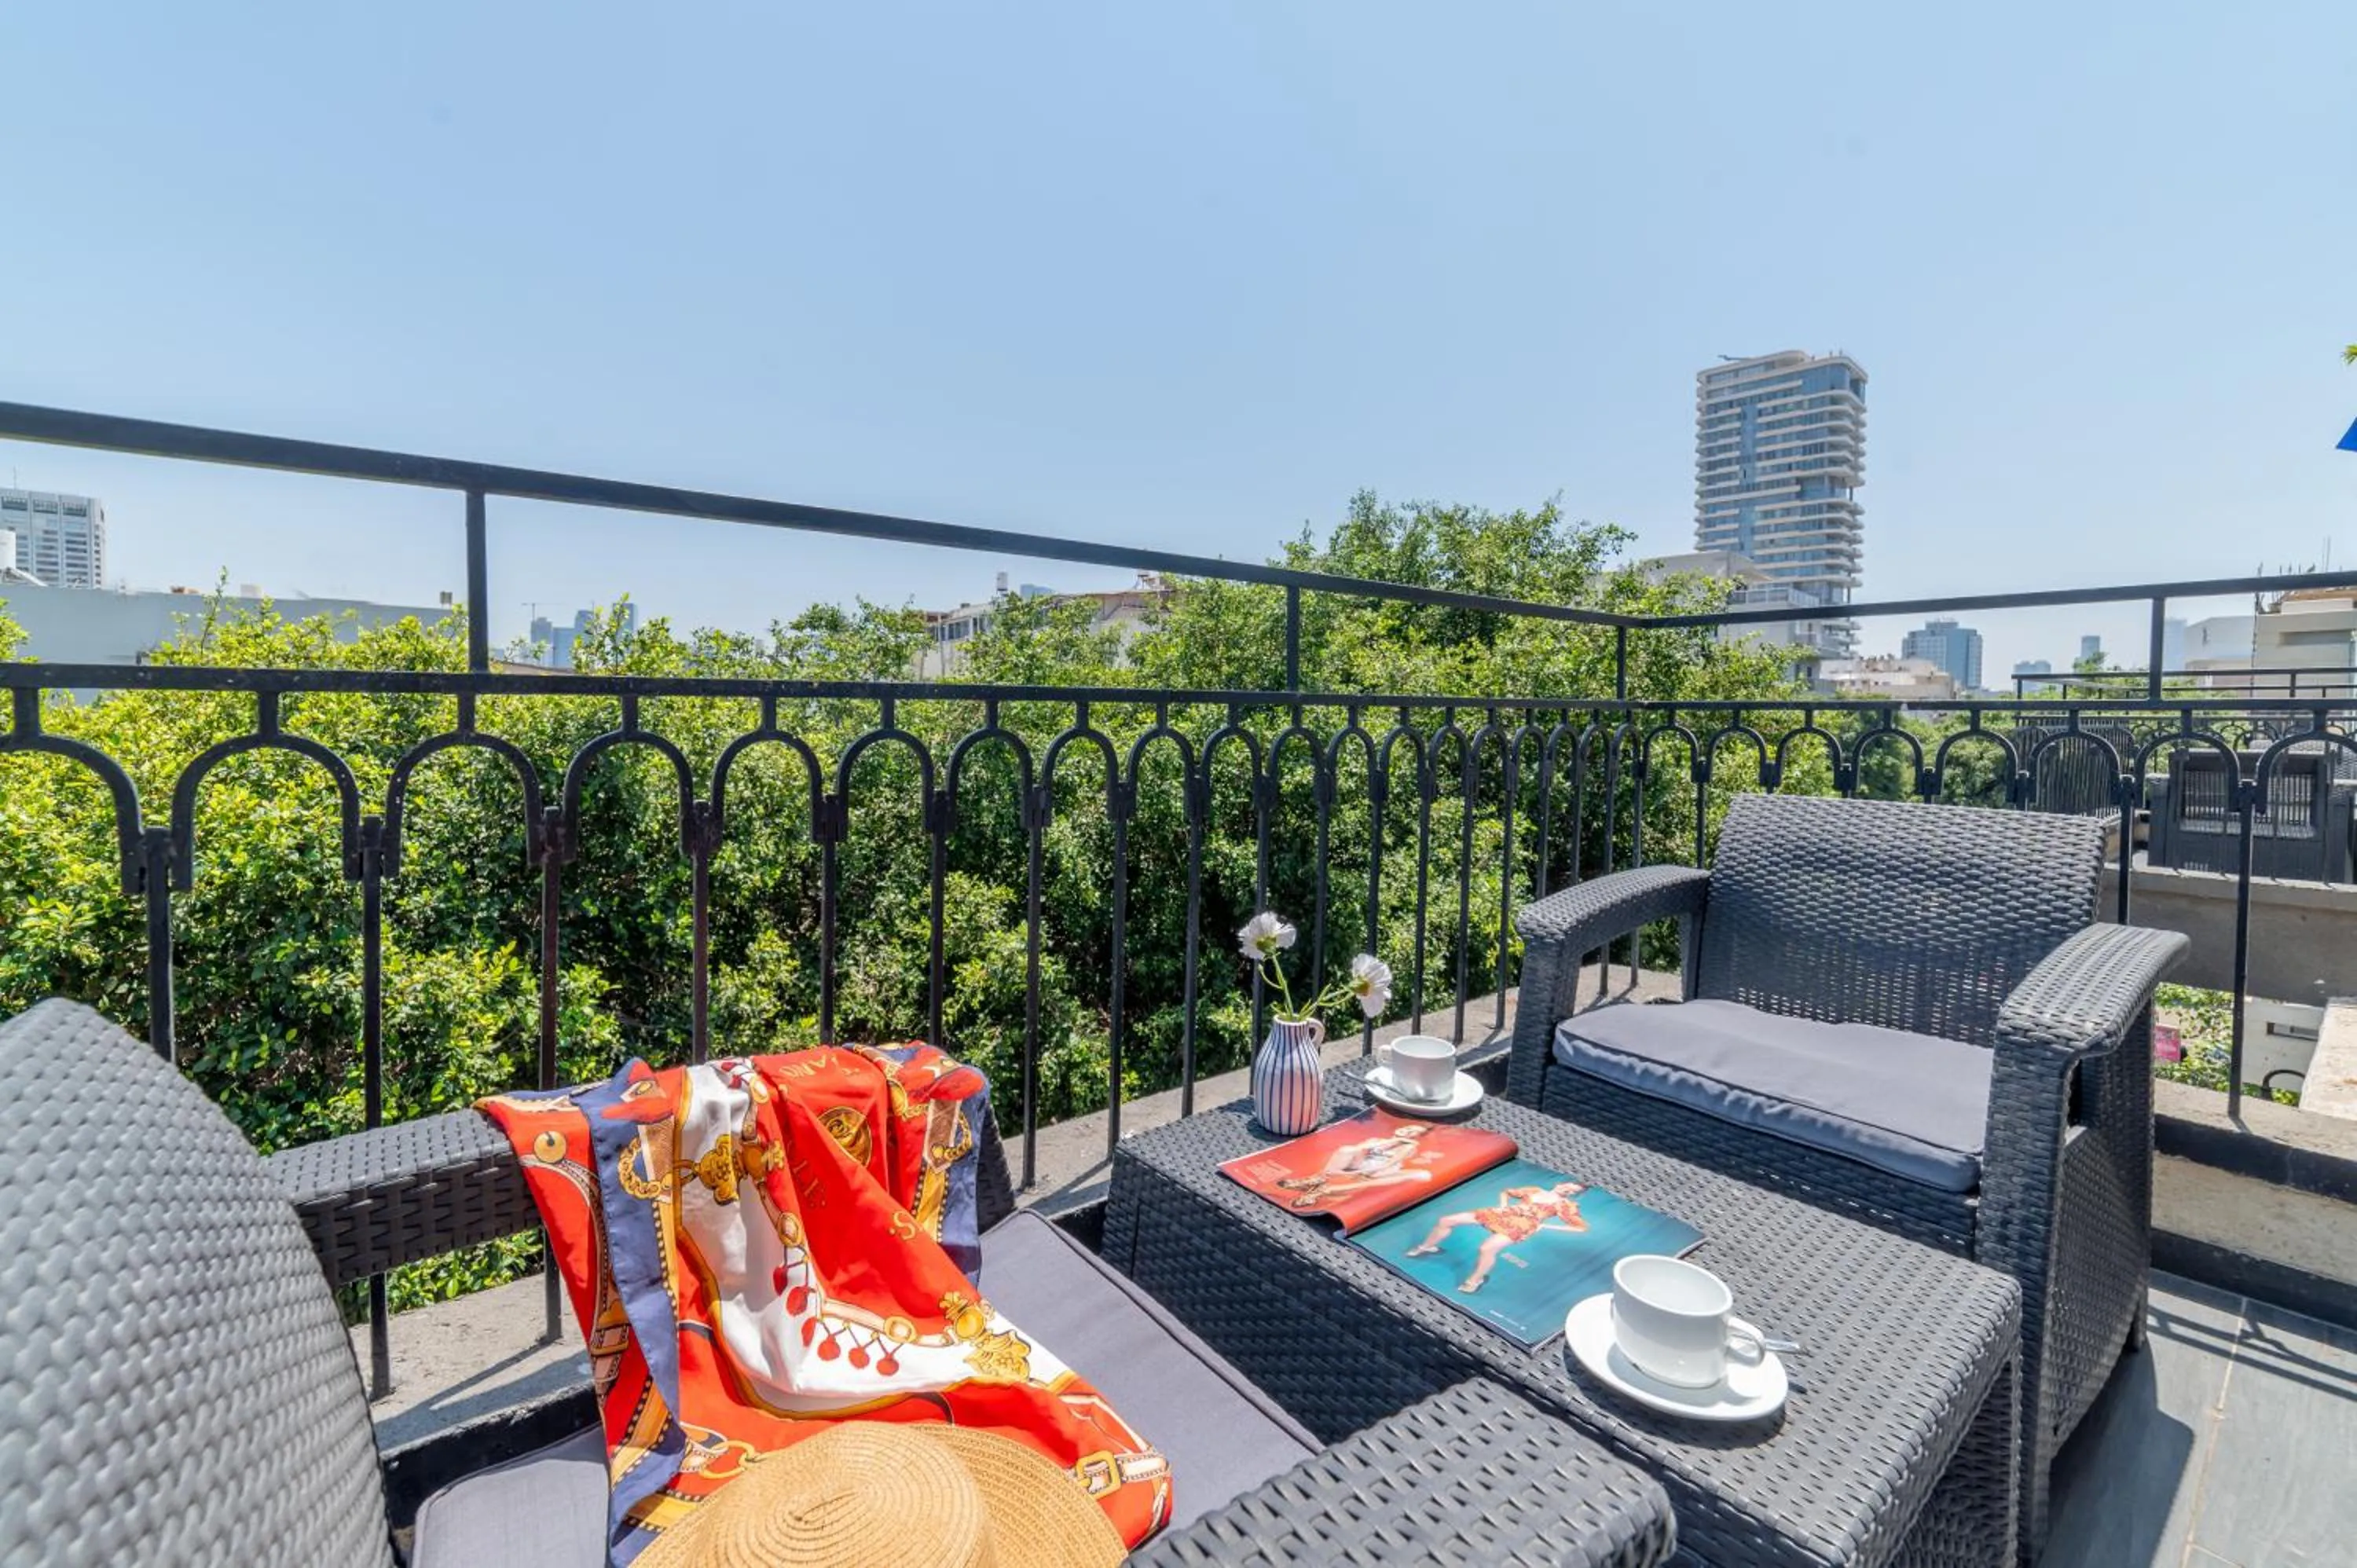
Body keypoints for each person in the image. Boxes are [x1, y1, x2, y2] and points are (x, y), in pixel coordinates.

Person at [1404, 1180, 1590, 1294]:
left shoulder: (1565, 1206)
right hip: (1501, 1214)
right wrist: (1502, 1205)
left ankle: (1475, 1280)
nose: (1568, 1190)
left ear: (1574, 1195)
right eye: (1568, 1186)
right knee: (1446, 1220)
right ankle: (1427, 1247)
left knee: (1486, 1249)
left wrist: (1545, 1225)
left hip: (1521, 1225)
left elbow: (1581, 1228)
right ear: (1560, 1183)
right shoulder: (1534, 1190)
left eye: (1573, 1191)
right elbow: (1507, 1192)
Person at [1273, 1123, 1438, 1209]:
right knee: (1347, 1149)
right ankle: (1317, 1180)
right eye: (1408, 1128)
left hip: (1377, 1172)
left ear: (1415, 1138)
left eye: (1413, 1133)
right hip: (1359, 1166)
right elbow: (1359, 1151)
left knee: (1370, 1167)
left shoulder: (1408, 1147)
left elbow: (1387, 1165)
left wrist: (1349, 1173)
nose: (1408, 1132)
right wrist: (1393, 1140)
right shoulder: (1377, 1140)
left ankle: (1318, 1186)